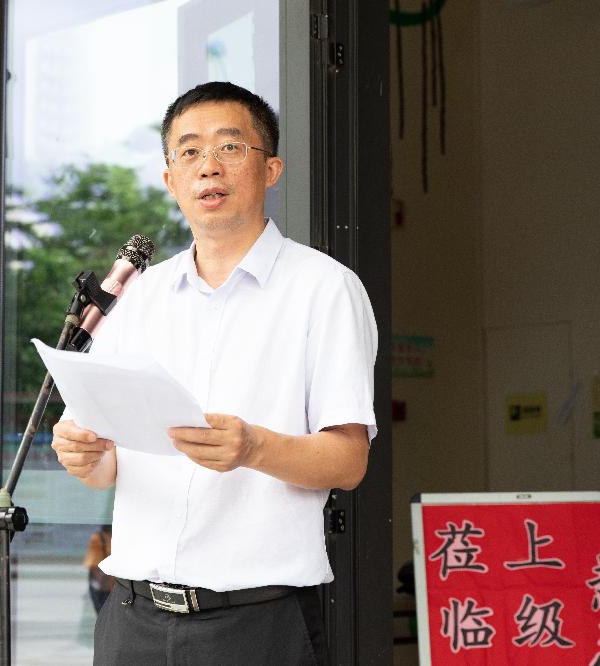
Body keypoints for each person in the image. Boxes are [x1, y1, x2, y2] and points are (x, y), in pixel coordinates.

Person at [51, 81, 377, 665]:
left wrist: (254, 447)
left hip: (257, 623)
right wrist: (82, 453)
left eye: (230, 147)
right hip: (132, 620)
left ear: (271, 169)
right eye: (189, 152)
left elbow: (349, 461)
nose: (209, 167)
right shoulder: (137, 297)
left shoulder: (325, 289)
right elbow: (105, 468)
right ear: (169, 178)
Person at [82, 525, 115, 613]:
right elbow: (93, 566)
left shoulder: (115, 538)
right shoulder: (98, 538)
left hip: (111, 587)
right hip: (104, 587)